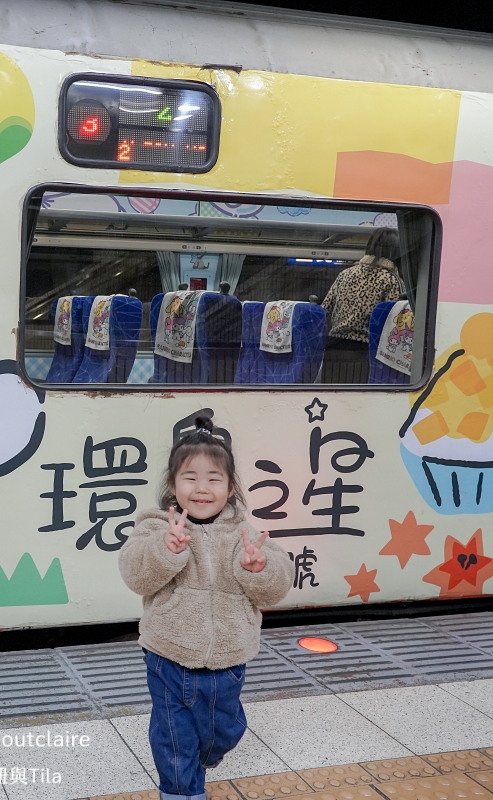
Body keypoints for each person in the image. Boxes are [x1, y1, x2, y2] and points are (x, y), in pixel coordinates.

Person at [118, 417, 291, 800]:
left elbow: (277, 587)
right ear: (172, 485)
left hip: (229, 661)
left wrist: (258, 569)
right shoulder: (153, 528)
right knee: (174, 736)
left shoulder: (244, 534)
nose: (201, 488)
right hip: (168, 655)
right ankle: (182, 792)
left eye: (213, 478)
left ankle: (205, 756)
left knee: (222, 731)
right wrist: (166, 550)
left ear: (230, 489)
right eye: (189, 477)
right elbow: (135, 575)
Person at [320, 227, 404, 383]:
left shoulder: (345, 274)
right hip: (366, 355)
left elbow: (323, 311)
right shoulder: (391, 281)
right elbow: (394, 324)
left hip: (333, 352)